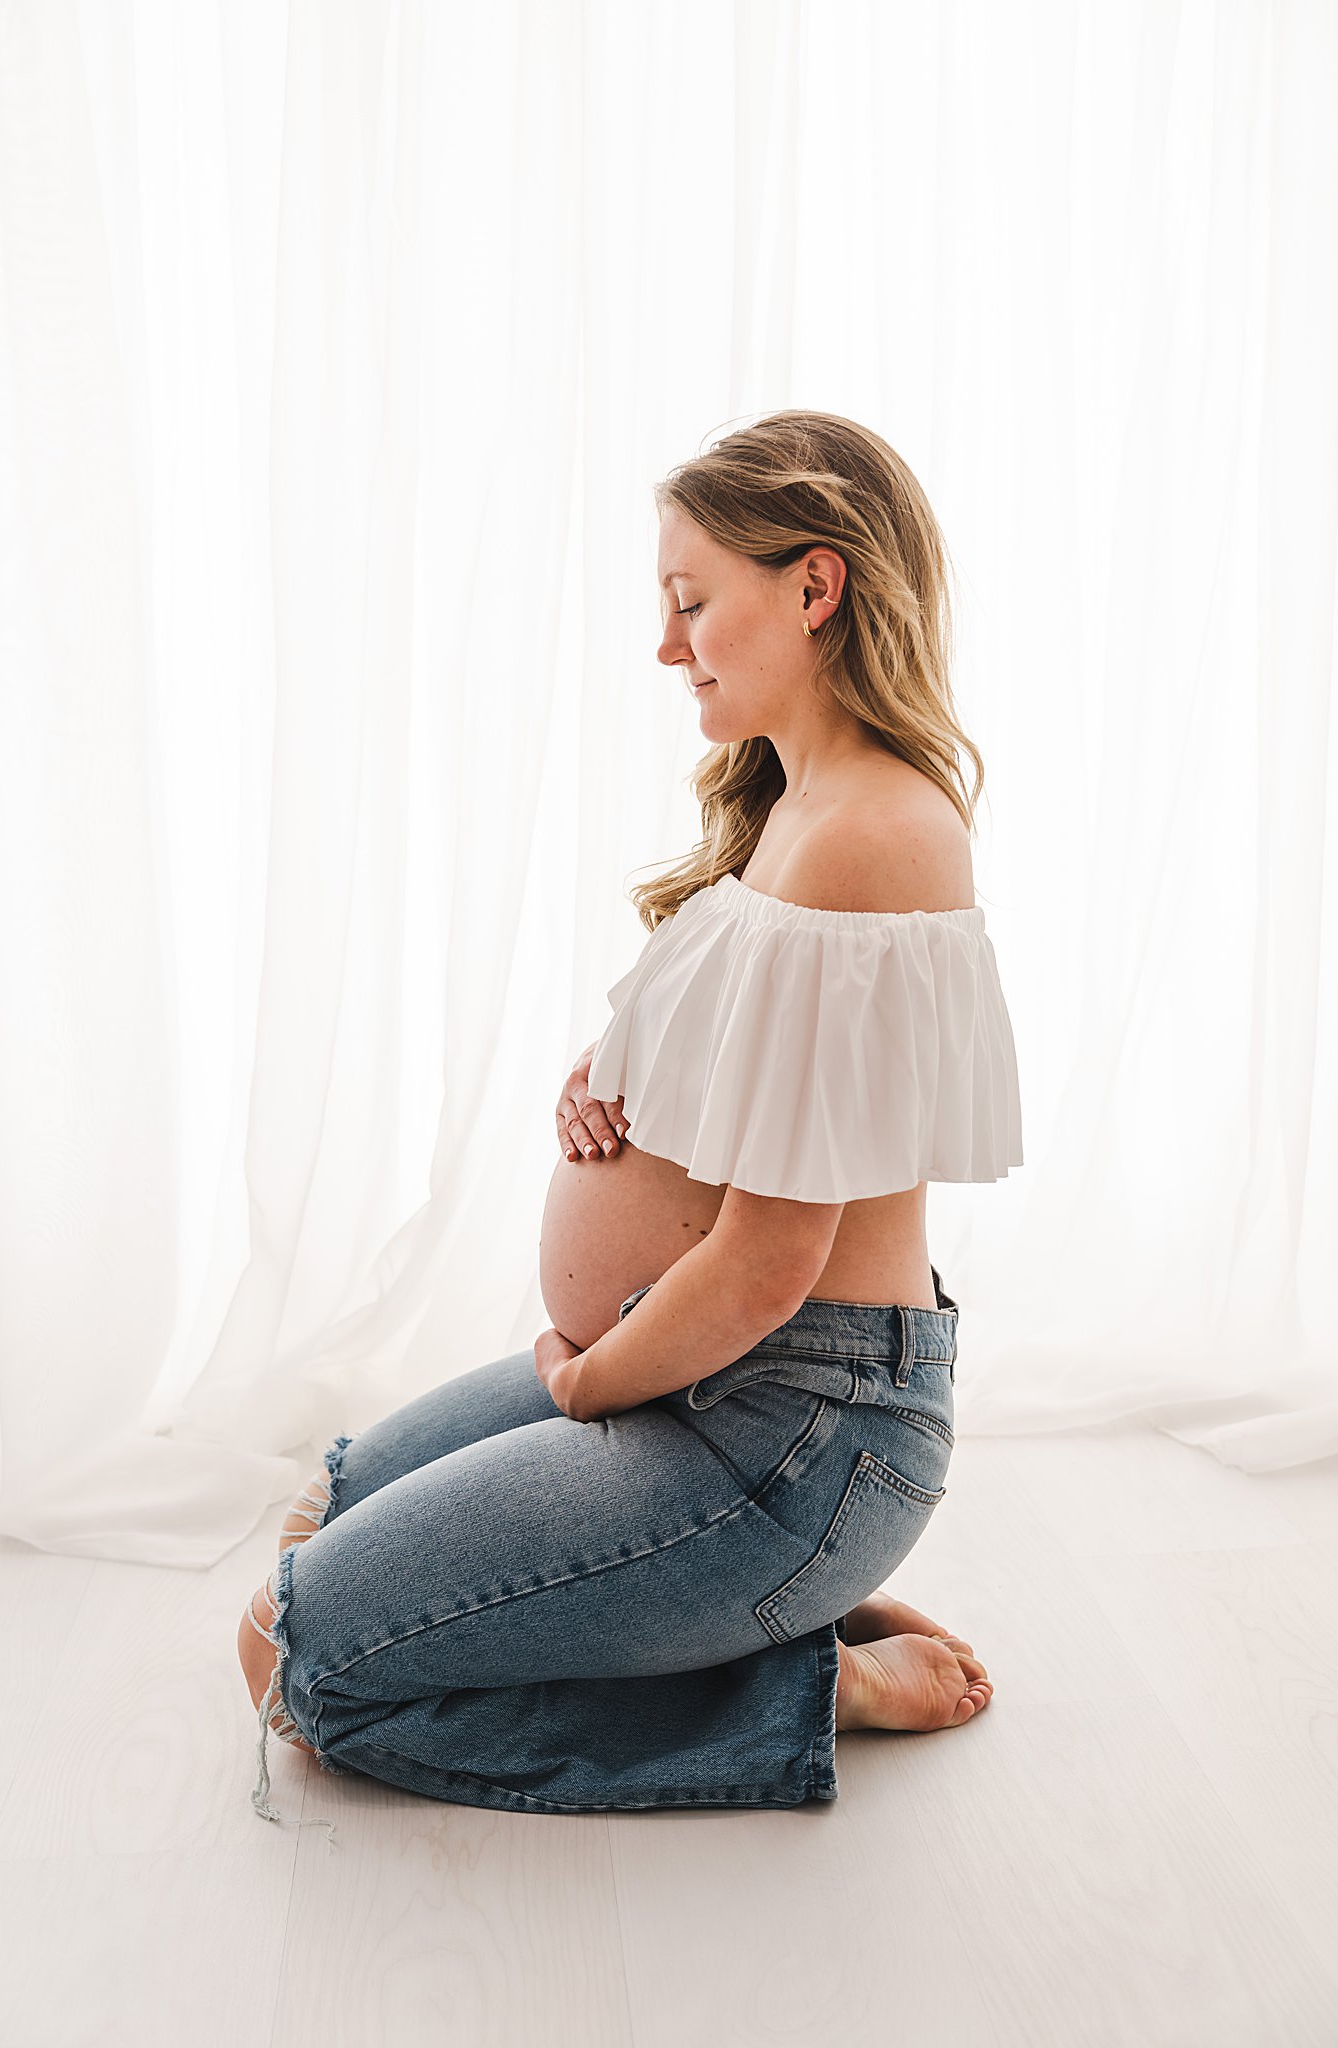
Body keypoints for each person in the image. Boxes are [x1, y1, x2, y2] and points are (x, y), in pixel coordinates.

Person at [237, 408, 1022, 1837]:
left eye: (689, 603)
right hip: (714, 1383)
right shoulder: (799, 808)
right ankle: (748, 1606)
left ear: (813, 583)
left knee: (297, 1660)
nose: (671, 649)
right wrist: (621, 1067)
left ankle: (799, 1678)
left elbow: (771, 1259)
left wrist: (587, 1384)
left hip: (781, 1428)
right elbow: (767, 1078)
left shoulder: (868, 834)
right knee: (321, 1512)